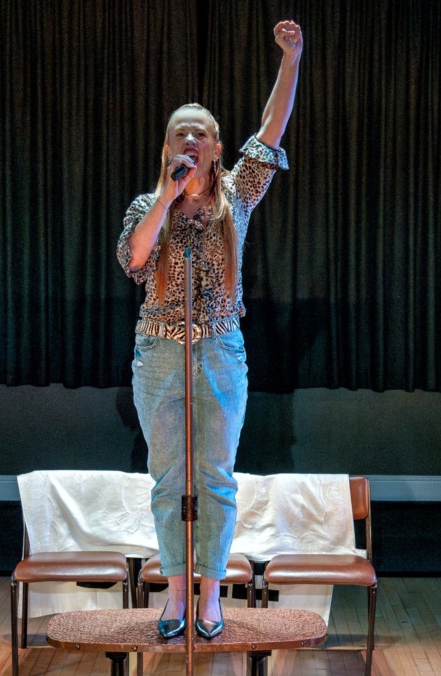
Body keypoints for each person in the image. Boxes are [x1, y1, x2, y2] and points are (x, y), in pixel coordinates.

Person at [115, 20, 303, 640]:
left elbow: (271, 130)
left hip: (221, 349)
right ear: (167, 146)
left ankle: (213, 597)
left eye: (201, 131)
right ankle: (174, 595)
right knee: (170, 477)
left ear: (217, 147)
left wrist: (291, 60)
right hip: (160, 351)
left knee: (216, 478)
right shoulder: (149, 206)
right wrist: (167, 200)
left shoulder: (237, 198)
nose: (190, 137)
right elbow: (135, 261)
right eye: (180, 131)